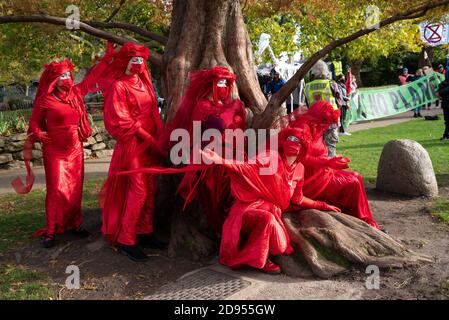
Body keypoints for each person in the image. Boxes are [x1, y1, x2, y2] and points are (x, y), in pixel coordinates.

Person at [201, 126, 340, 274]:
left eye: (297, 140)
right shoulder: (270, 157)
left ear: (303, 146)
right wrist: (221, 160)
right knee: (267, 219)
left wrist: (323, 205)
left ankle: (252, 252)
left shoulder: (299, 169)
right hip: (247, 208)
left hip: (272, 210)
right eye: (289, 139)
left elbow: (297, 199)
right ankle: (257, 260)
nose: (292, 143)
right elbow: (247, 167)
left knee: (280, 246)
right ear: (283, 142)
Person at [11, 54, 111, 248]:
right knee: (56, 189)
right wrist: (39, 133)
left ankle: (74, 223)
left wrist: (106, 59)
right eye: (63, 76)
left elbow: (91, 80)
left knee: (75, 188)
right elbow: (34, 122)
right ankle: (51, 229)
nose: (67, 79)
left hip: (75, 149)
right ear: (54, 80)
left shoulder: (75, 94)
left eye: (68, 75)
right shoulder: (45, 100)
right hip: (54, 149)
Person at [97, 42, 165, 262]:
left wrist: (157, 139)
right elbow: (121, 119)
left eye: (140, 60)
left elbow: (153, 112)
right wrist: (147, 136)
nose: (137, 63)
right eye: (133, 59)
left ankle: (145, 232)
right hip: (132, 145)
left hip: (150, 145)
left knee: (151, 188)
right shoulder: (119, 86)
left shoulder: (145, 84)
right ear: (125, 61)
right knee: (138, 191)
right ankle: (127, 240)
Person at [272, 100, 380, 229]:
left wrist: (331, 162)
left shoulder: (315, 126)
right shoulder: (300, 129)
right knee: (354, 181)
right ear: (319, 117)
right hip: (306, 182)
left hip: (318, 175)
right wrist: (327, 162)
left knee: (355, 178)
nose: (327, 125)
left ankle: (362, 219)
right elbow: (295, 157)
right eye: (326, 121)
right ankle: (363, 221)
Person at [165, 66, 246, 234]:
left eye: (226, 83)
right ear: (210, 84)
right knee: (216, 201)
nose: (224, 87)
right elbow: (212, 128)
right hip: (211, 163)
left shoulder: (226, 104)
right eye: (220, 83)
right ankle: (222, 234)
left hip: (233, 159)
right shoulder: (202, 106)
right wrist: (233, 110)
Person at [304, 60, 340, 157]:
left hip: (315, 123)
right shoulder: (332, 84)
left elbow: (308, 104)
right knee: (331, 147)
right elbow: (339, 101)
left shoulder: (307, 86)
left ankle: (321, 170)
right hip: (331, 121)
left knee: (318, 149)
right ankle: (331, 170)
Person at [437, 76, 449, 140]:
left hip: (445, 103)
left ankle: (446, 135)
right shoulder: (443, 83)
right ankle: (446, 135)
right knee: (447, 120)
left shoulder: (442, 84)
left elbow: (440, 92)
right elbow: (438, 94)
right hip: (446, 103)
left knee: (447, 120)